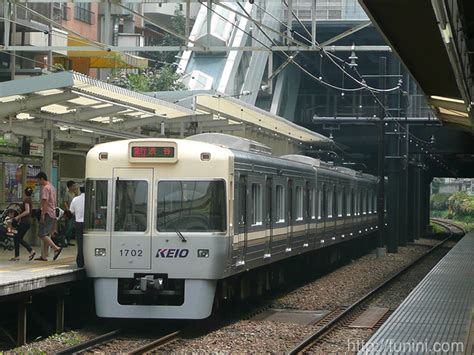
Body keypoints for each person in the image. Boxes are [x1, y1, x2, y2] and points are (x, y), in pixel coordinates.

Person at [35, 171, 62, 261]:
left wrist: (42, 214)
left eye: (38, 180)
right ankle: (44, 255)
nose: (38, 182)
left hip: (47, 213)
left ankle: (56, 248)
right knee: (46, 234)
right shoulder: (52, 187)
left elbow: (45, 202)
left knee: (41, 234)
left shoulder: (46, 188)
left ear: (42, 178)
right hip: (53, 213)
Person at [9, 188, 36, 261]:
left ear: (24, 193)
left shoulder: (26, 200)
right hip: (27, 221)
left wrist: (18, 217)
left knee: (17, 237)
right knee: (18, 237)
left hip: (25, 221)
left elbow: (27, 211)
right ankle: (28, 252)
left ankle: (29, 251)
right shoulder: (29, 200)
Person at [70, 185, 85, 268]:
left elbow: (71, 211)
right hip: (88, 224)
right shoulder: (92, 199)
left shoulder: (75, 199)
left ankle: (80, 261)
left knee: (80, 243)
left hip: (78, 223)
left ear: (80, 190)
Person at [61, 180, 77, 247]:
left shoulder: (74, 194)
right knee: (68, 227)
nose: (74, 187)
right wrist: (68, 210)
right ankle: (65, 241)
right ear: (70, 187)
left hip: (73, 213)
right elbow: (64, 202)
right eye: (73, 186)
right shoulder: (67, 193)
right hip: (69, 213)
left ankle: (68, 240)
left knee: (71, 228)